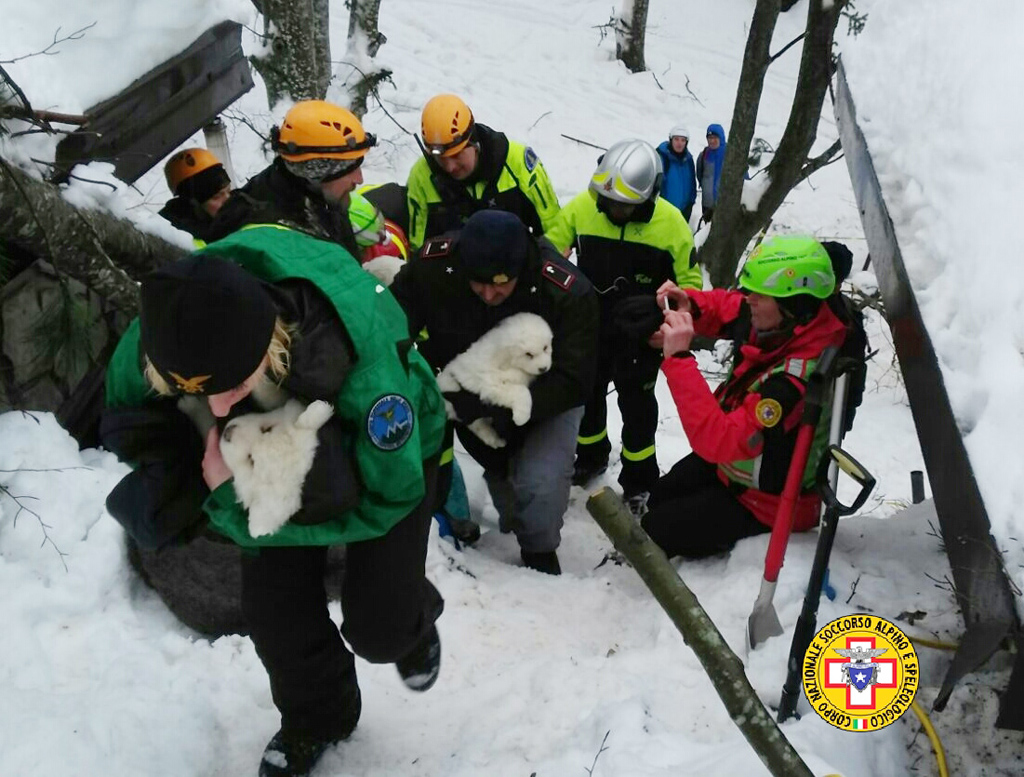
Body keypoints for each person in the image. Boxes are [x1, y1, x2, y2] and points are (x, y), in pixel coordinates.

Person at [99, 230, 448, 776]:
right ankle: (319, 718)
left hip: (381, 460)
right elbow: (128, 415)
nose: (215, 404)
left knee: (378, 628)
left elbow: (386, 499)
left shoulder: (363, 371)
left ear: (270, 344)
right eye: (195, 390)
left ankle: (411, 619)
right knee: (274, 610)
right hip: (264, 448)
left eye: (231, 384)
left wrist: (231, 508)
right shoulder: (163, 334)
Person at [389, 210, 599, 575]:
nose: (489, 294)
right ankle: (466, 514)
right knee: (499, 468)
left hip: (543, 397)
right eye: (478, 284)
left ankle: (538, 551)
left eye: (501, 284)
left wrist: (501, 407)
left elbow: (574, 378)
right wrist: (427, 370)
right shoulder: (435, 267)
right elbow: (392, 321)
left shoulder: (565, 291)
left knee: (541, 485)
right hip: (461, 385)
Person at [640, 235, 848, 560]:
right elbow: (731, 307)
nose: (748, 298)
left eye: (758, 294)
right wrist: (690, 304)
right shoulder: (788, 322)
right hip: (735, 469)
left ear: (792, 305)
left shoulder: (793, 383)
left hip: (767, 503)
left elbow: (717, 440)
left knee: (657, 528)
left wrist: (679, 359)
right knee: (661, 496)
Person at [545, 139, 701, 514]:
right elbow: (548, 252)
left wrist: (664, 317)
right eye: (609, 201)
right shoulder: (584, 207)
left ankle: (640, 479)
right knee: (588, 396)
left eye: (624, 205)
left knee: (638, 408)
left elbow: (691, 288)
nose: (614, 209)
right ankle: (591, 454)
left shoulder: (671, 224)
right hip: (589, 327)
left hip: (641, 336)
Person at [208, 99, 374, 255]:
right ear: (316, 172)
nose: (360, 179)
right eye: (349, 169)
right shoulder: (265, 234)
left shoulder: (322, 199)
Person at [405, 93, 561, 250]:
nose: (450, 167)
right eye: (441, 159)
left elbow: (555, 233)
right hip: (451, 268)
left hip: (513, 266)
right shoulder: (421, 175)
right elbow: (417, 247)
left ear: (473, 142)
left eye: (456, 155)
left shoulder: (518, 162)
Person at [158, 147, 232, 245]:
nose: (228, 199)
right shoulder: (175, 240)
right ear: (192, 203)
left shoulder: (239, 211)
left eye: (229, 191)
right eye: (217, 197)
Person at [656, 126, 697, 222]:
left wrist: (691, 203)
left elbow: (692, 182)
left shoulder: (688, 160)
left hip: (684, 211)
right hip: (665, 210)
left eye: (683, 140)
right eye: (676, 139)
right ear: (671, 140)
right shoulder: (662, 157)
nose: (679, 143)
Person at [695, 123, 727, 223]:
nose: (712, 141)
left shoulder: (730, 154)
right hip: (707, 204)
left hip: (725, 205)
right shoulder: (704, 154)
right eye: (709, 138)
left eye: (715, 138)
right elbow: (699, 175)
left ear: (721, 138)